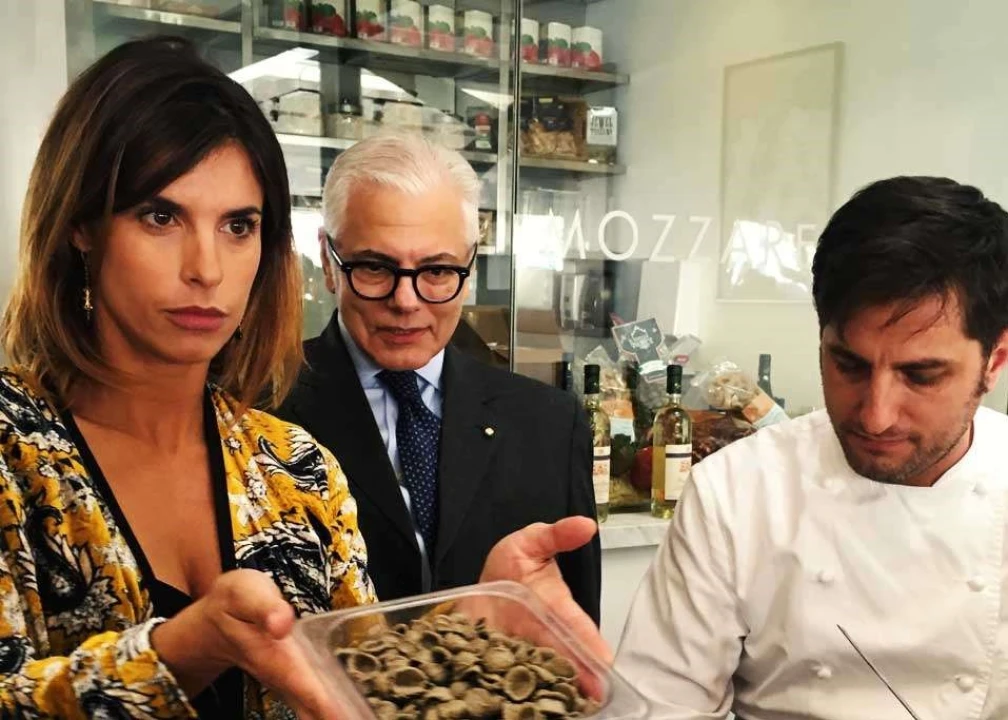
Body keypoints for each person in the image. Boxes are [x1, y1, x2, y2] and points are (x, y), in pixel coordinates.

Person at [0, 37, 604, 719]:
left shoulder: (295, 466)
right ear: (80, 225)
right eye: (161, 216)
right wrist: (181, 651)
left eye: (238, 225)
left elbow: (355, 689)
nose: (206, 269)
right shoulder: (15, 457)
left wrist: (463, 632)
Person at [612, 175, 1008, 719]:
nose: (875, 415)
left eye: (921, 375)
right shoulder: (737, 492)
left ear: (995, 361)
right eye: (848, 365)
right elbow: (658, 708)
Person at [276, 134, 602, 623]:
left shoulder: (549, 424)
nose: (406, 301)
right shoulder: (256, 411)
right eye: (374, 267)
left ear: (470, 265)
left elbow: (575, 633)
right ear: (327, 259)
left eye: (437, 271)